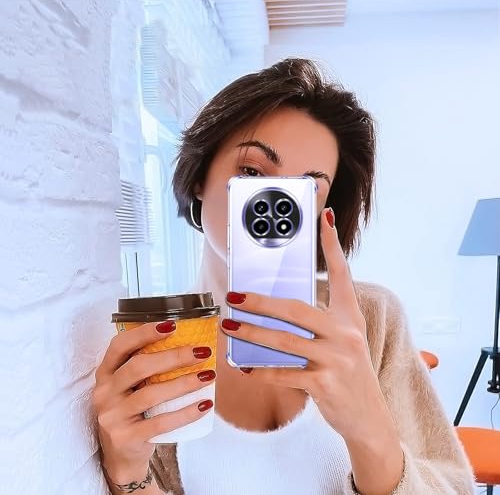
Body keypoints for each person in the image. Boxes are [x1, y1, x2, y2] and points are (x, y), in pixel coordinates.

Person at [93, 58, 476, 495]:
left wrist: (370, 430)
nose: (275, 208)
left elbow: (453, 487)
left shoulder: (371, 320)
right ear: (201, 177)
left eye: (306, 189)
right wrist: (128, 474)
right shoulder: (164, 340)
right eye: (252, 173)